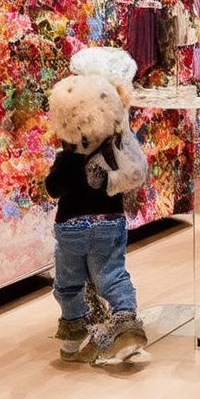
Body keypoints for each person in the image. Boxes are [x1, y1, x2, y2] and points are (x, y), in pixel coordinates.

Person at [43, 82, 149, 367]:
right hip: (108, 223)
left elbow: (52, 188)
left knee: (68, 281)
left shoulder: (66, 158)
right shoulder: (112, 149)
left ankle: (74, 328)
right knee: (112, 274)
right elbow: (131, 176)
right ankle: (125, 323)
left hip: (71, 226)